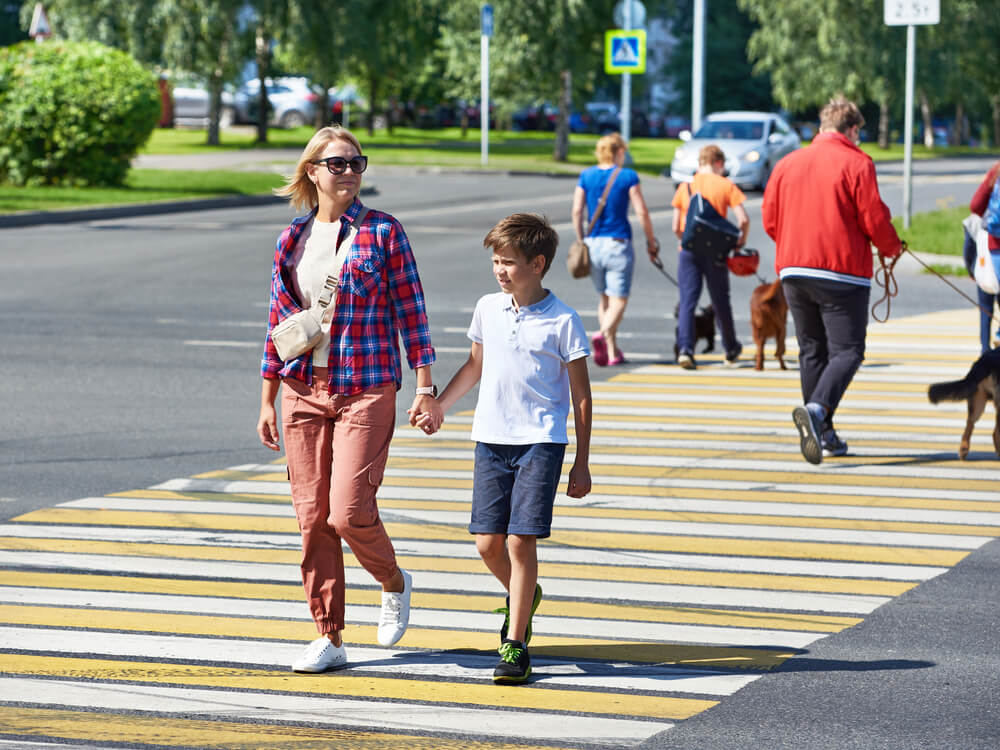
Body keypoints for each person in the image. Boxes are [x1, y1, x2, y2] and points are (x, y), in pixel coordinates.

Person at [256, 125, 443, 672]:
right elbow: (279, 324)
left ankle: (392, 578)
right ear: (312, 171)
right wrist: (266, 397)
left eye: (357, 163)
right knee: (313, 518)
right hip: (301, 390)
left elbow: (413, 312)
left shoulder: (384, 232)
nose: (350, 173)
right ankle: (330, 637)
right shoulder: (291, 239)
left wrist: (426, 386)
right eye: (337, 164)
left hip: (366, 387)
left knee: (348, 512)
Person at [414, 213, 592, 684]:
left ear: (538, 264)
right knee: (486, 543)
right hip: (490, 439)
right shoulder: (488, 308)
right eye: (495, 261)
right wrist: (439, 405)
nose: (499, 270)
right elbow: (475, 366)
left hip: (541, 441)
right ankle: (524, 596)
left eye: (508, 262)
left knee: (519, 540)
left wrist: (582, 462)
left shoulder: (563, 320)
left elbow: (581, 395)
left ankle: (515, 644)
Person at [762, 96, 902, 464]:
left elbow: (770, 219)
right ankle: (819, 411)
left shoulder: (787, 164)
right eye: (859, 133)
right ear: (852, 129)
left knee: (812, 350)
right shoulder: (857, 163)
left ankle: (824, 435)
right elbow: (873, 218)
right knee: (849, 351)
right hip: (841, 270)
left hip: (793, 269)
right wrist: (891, 248)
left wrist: (795, 247)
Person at [571, 132, 658, 367]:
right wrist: (651, 241)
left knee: (605, 298)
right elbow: (641, 211)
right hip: (618, 243)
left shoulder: (586, 176)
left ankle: (611, 352)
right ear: (619, 152)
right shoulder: (628, 176)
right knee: (619, 300)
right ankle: (601, 333)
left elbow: (577, 211)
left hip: (593, 244)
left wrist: (581, 239)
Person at [667, 144, 749, 369]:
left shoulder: (685, 187)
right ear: (719, 164)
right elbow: (743, 219)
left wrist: (684, 239)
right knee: (721, 301)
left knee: (687, 301)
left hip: (688, 251)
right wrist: (740, 242)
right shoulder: (726, 185)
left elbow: (676, 226)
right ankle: (731, 348)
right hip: (716, 252)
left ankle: (685, 349)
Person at [967, 160, 1000, 352]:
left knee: (986, 303)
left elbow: (976, 205)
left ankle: (985, 352)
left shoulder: (996, 171)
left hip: (994, 248)